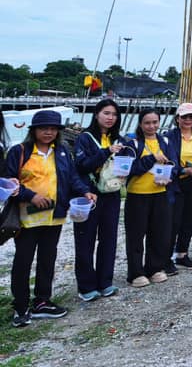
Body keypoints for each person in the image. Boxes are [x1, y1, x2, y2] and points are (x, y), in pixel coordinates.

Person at [4, 110, 95, 326]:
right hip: (27, 218)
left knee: (48, 259)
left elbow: (72, 177)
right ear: (33, 130)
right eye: (43, 128)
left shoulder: (62, 152)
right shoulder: (20, 151)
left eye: (53, 128)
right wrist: (30, 195)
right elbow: (8, 182)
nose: (48, 132)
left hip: (54, 216)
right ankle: (20, 306)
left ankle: (42, 301)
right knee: (23, 261)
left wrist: (84, 191)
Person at [72, 99, 127, 301]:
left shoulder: (118, 138)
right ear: (96, 114)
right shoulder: (84, 139)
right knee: (85, 240)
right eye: (106, 113)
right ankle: (86, 286)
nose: (110, 117)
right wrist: (106, 152)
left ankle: (105, 282)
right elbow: (81, 166)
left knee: (109, 239)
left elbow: (124, 165)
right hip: (89, 194)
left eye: (114, 114)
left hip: (111, 194)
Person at [124, 109, 177, 288]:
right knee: (136, 235)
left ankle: (154, 268)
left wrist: (170, 175)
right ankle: (135, 272)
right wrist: (151, 159)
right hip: (137, 194)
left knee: (159, 233)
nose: (152, 126)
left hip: (160, 193)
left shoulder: (165, 141)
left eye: (155, 122)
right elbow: (129, 169)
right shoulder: (132, 143)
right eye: (147, 123)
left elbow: (173, 163)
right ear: (140, 124)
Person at [166, 103, 192, 274]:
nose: (188, 120)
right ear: (177, 119)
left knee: (189, 221)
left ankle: (182, 253)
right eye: (184, 117)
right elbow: (168, 160)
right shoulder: (170, 136)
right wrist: (182, 170)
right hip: (177, 182)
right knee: (173, 222)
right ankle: (166, 258)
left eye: (191, 117)